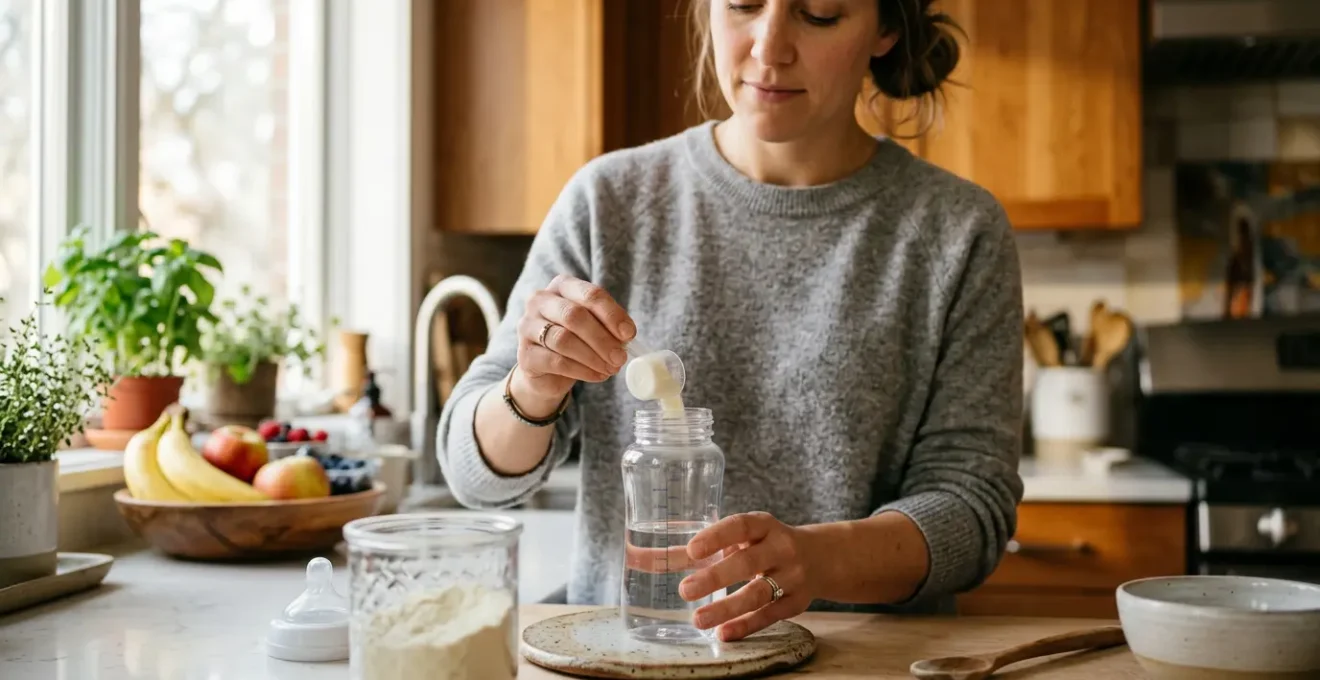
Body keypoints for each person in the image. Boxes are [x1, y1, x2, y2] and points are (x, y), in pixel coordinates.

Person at [437, 0, 1024, 642]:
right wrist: (532, 387)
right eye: (743, 4)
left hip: (855, 662)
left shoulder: (958, 231)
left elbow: (973, 509)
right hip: (632, 658)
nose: (769, 48)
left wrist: (819, 560)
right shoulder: (609, 203)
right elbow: (474, 477)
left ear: (886, 28)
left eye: (820, 15)